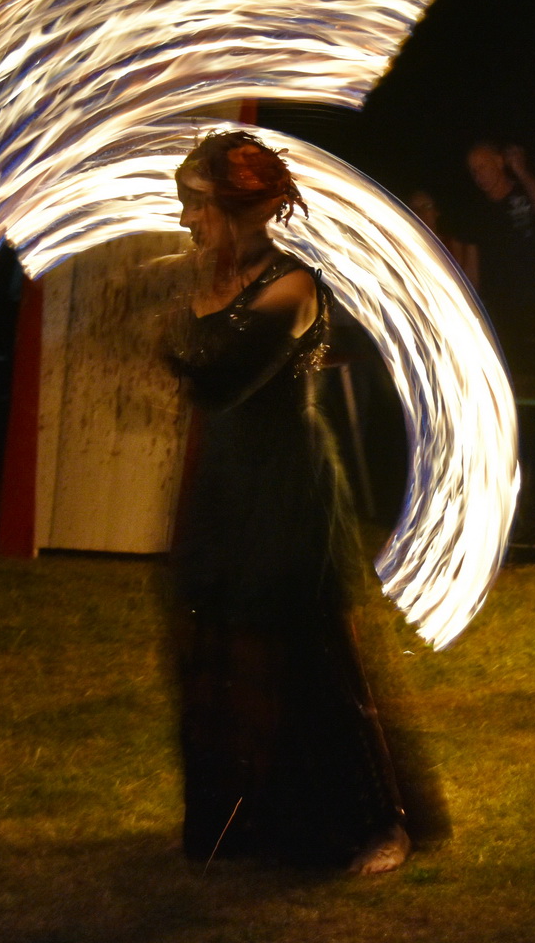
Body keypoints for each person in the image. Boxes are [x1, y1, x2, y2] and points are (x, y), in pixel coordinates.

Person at [159, 130, 410, 874]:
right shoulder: (211, 279)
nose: (185, 220)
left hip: (287, 488)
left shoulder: (293, 286)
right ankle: (250, 818)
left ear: (239, 207)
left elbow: (221, 379)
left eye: (196, 204)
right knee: (222, 645)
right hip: (227, 485)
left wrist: (160, 332)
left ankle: (368, 827)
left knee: (307, 656)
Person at [453, 141, 535, 369]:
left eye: (483, 166)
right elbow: (472, 272)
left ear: (500, 161)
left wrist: (521, 171)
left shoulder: (526, 193)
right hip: (500, 313)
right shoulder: (475, 212)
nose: (478, 175)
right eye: (474, 170)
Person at [405, 188, 476, 282]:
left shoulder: (454, 245)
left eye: (426, 206)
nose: (420, 213)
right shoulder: (404, 246)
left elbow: (471, 285)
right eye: (414, 209)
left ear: (436, 211)